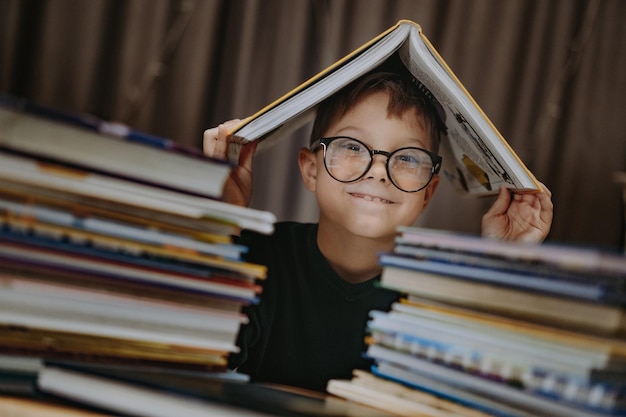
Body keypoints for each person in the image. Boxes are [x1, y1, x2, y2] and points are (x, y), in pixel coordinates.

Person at [203, 69, 553, 392]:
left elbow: (479, 389)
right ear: (311, 170)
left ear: (428, 192)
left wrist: (502, 265)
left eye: (408, 158)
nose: (379, 171)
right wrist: (224, 221)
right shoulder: (254, 257)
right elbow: (198, 360)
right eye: (353, 148)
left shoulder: (443, 295)